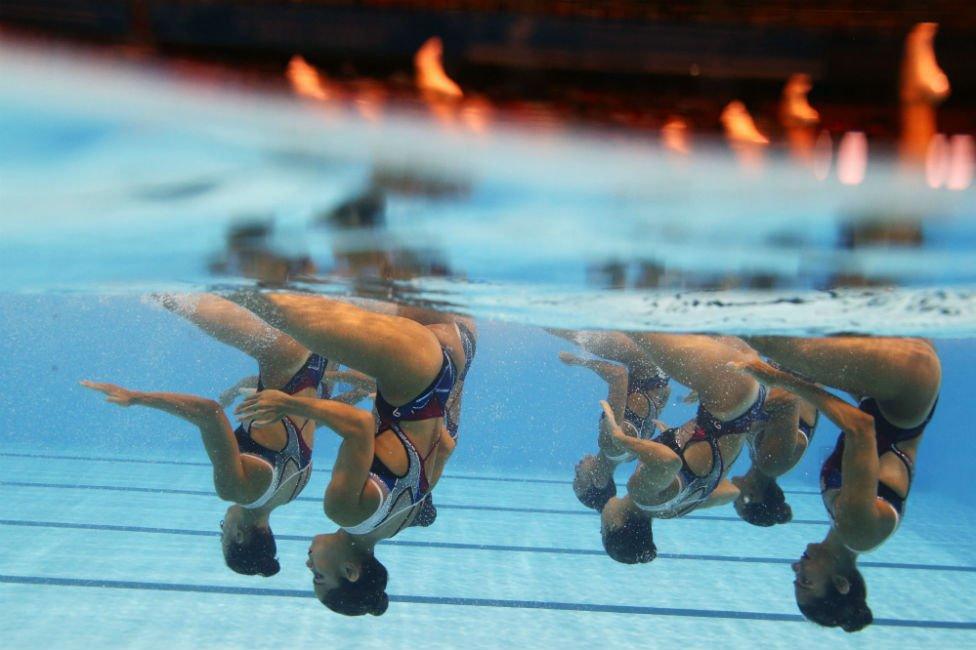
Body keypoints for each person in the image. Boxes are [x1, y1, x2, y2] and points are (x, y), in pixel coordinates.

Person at [228, 291, 472, 616]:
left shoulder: (402, 520)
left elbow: (445, 445)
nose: (308, 563)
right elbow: (358, 425)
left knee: (409, 265)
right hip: (409, 368)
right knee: (275, 307)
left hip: (446, 366)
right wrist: (288, 404)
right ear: (349, 571)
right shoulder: (346, 513)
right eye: (318, 575)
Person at [82, 294, 338, 578]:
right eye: (222, 534)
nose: (223, 526)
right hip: (282, 354)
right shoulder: (236, 490)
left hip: (316, 361)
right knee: (176, 297)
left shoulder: (292, 490)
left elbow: (312, 413)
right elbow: (210, 413)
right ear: (238, 536)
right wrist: (137, 398)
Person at [736, 336, 940, 632]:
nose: (796, 568)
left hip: (886, 393)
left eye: (796, 578)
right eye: (805, 580)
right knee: (779, 346)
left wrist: (808, 377)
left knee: (812, 331)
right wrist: (786, 380)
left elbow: (869, 420)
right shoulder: (858, 531)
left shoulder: (841, 524)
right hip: (905, 390)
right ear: (840, 582)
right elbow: (861, 427)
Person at [598, 334, 786, 564]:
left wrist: (679, 441)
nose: (601, 524)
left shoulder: (672, 510)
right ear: (615, 525)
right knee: (641, 332)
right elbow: (669, 462)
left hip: (746, 406)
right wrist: (621, 438)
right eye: (602, 531)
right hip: (726, 397)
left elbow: (729, 492)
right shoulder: (640, 493)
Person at [549, 329, 670, 512]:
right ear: (598, 481)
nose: (576, 467)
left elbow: (662, 398)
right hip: (644, 360)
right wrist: (578, 361)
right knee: (574, 334)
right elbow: (618, 375)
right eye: (578, 478)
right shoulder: (610, 444)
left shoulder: (632, 455)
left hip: (660, 370)